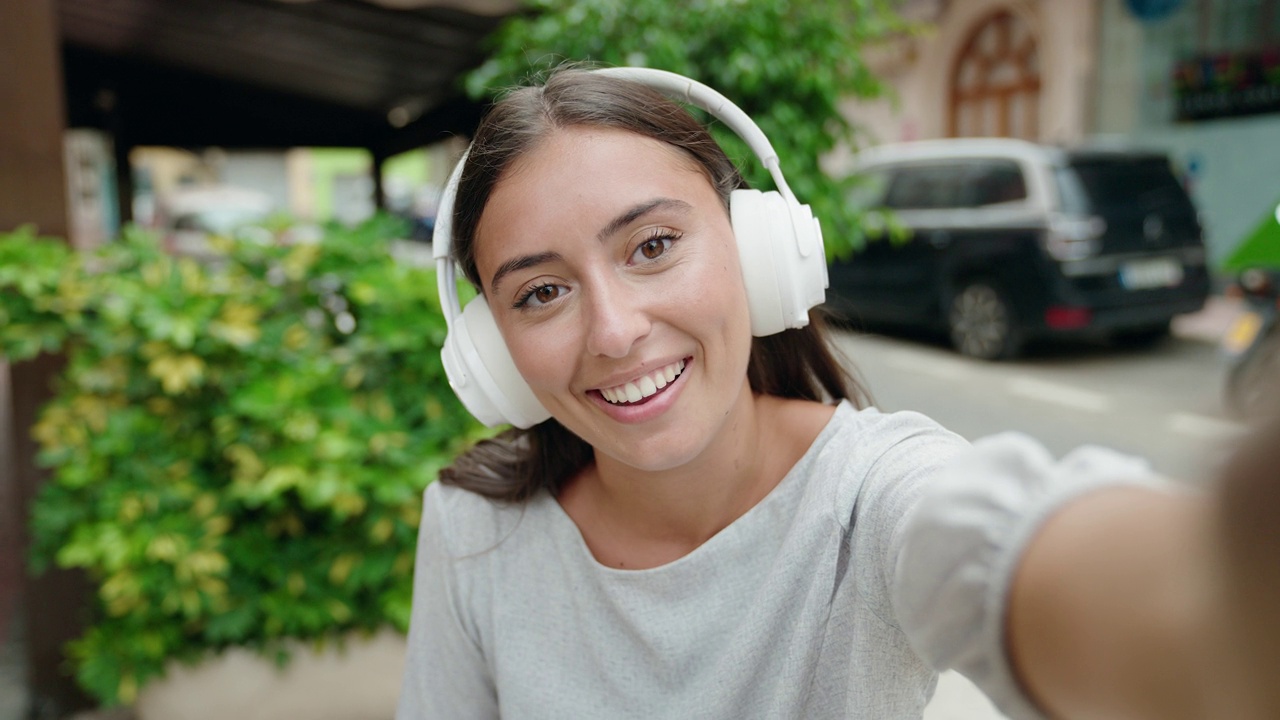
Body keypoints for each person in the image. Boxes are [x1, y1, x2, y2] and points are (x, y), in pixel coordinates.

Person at [396, 66, 1275, 719]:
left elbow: (1034, 558)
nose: (615, 331)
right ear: (493, 352)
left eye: (653, 245)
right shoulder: (477, 530)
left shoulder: (875, 495)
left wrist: (1223, 600)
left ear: (760, 251)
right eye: (541, 293)